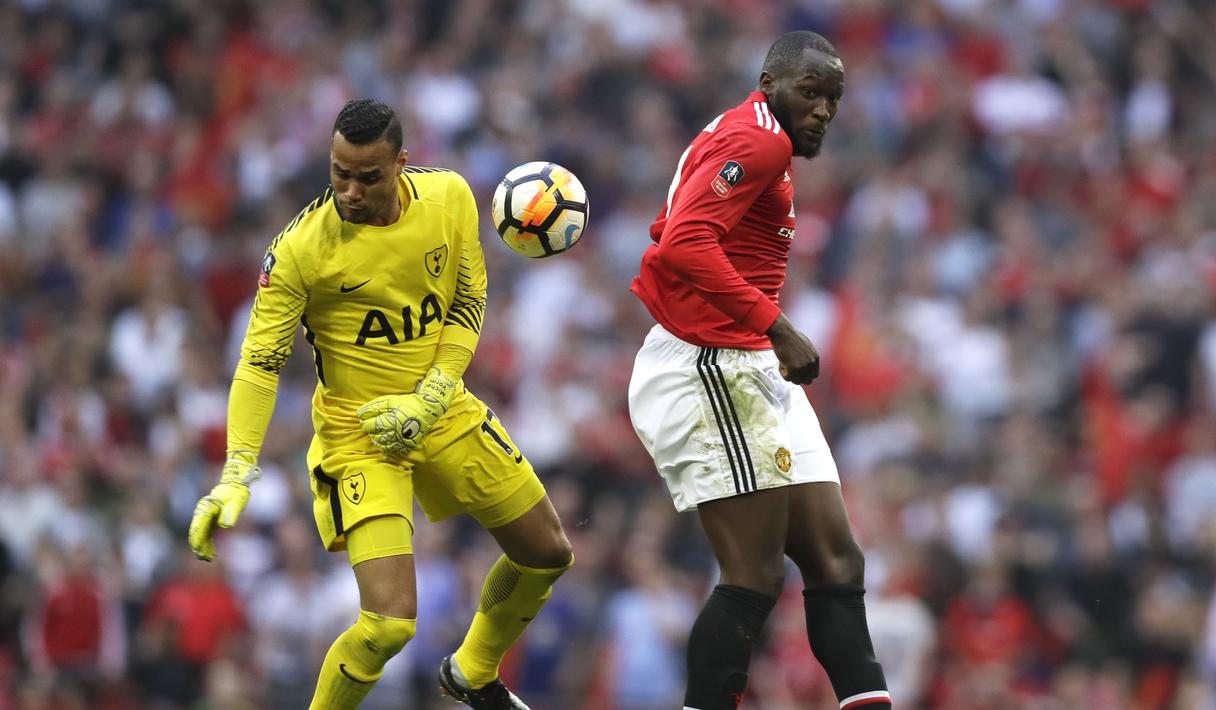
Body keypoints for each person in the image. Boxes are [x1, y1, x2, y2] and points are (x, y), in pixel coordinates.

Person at [187, 98, 573, 710]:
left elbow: (467, 301)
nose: (349, 190)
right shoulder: (299, 250)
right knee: (390, 624)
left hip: (439, 408)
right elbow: (259, 363)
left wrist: (436, 392)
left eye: (367, 177)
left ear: (401, 164)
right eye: (338, 172)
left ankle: (472, 672)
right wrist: (238, 468)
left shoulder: (449, 199)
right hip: (358, 435)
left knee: (548, 553)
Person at [627, 32, 893, 710]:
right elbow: (683, 241)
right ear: (769, 79)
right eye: (809, 92)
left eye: (832, 98)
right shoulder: (760, 141)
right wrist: (775, 324)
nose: (823, 111)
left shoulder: (752, 129)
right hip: (707, 363)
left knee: (837, 560)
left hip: (746, 364)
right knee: (753, 574)